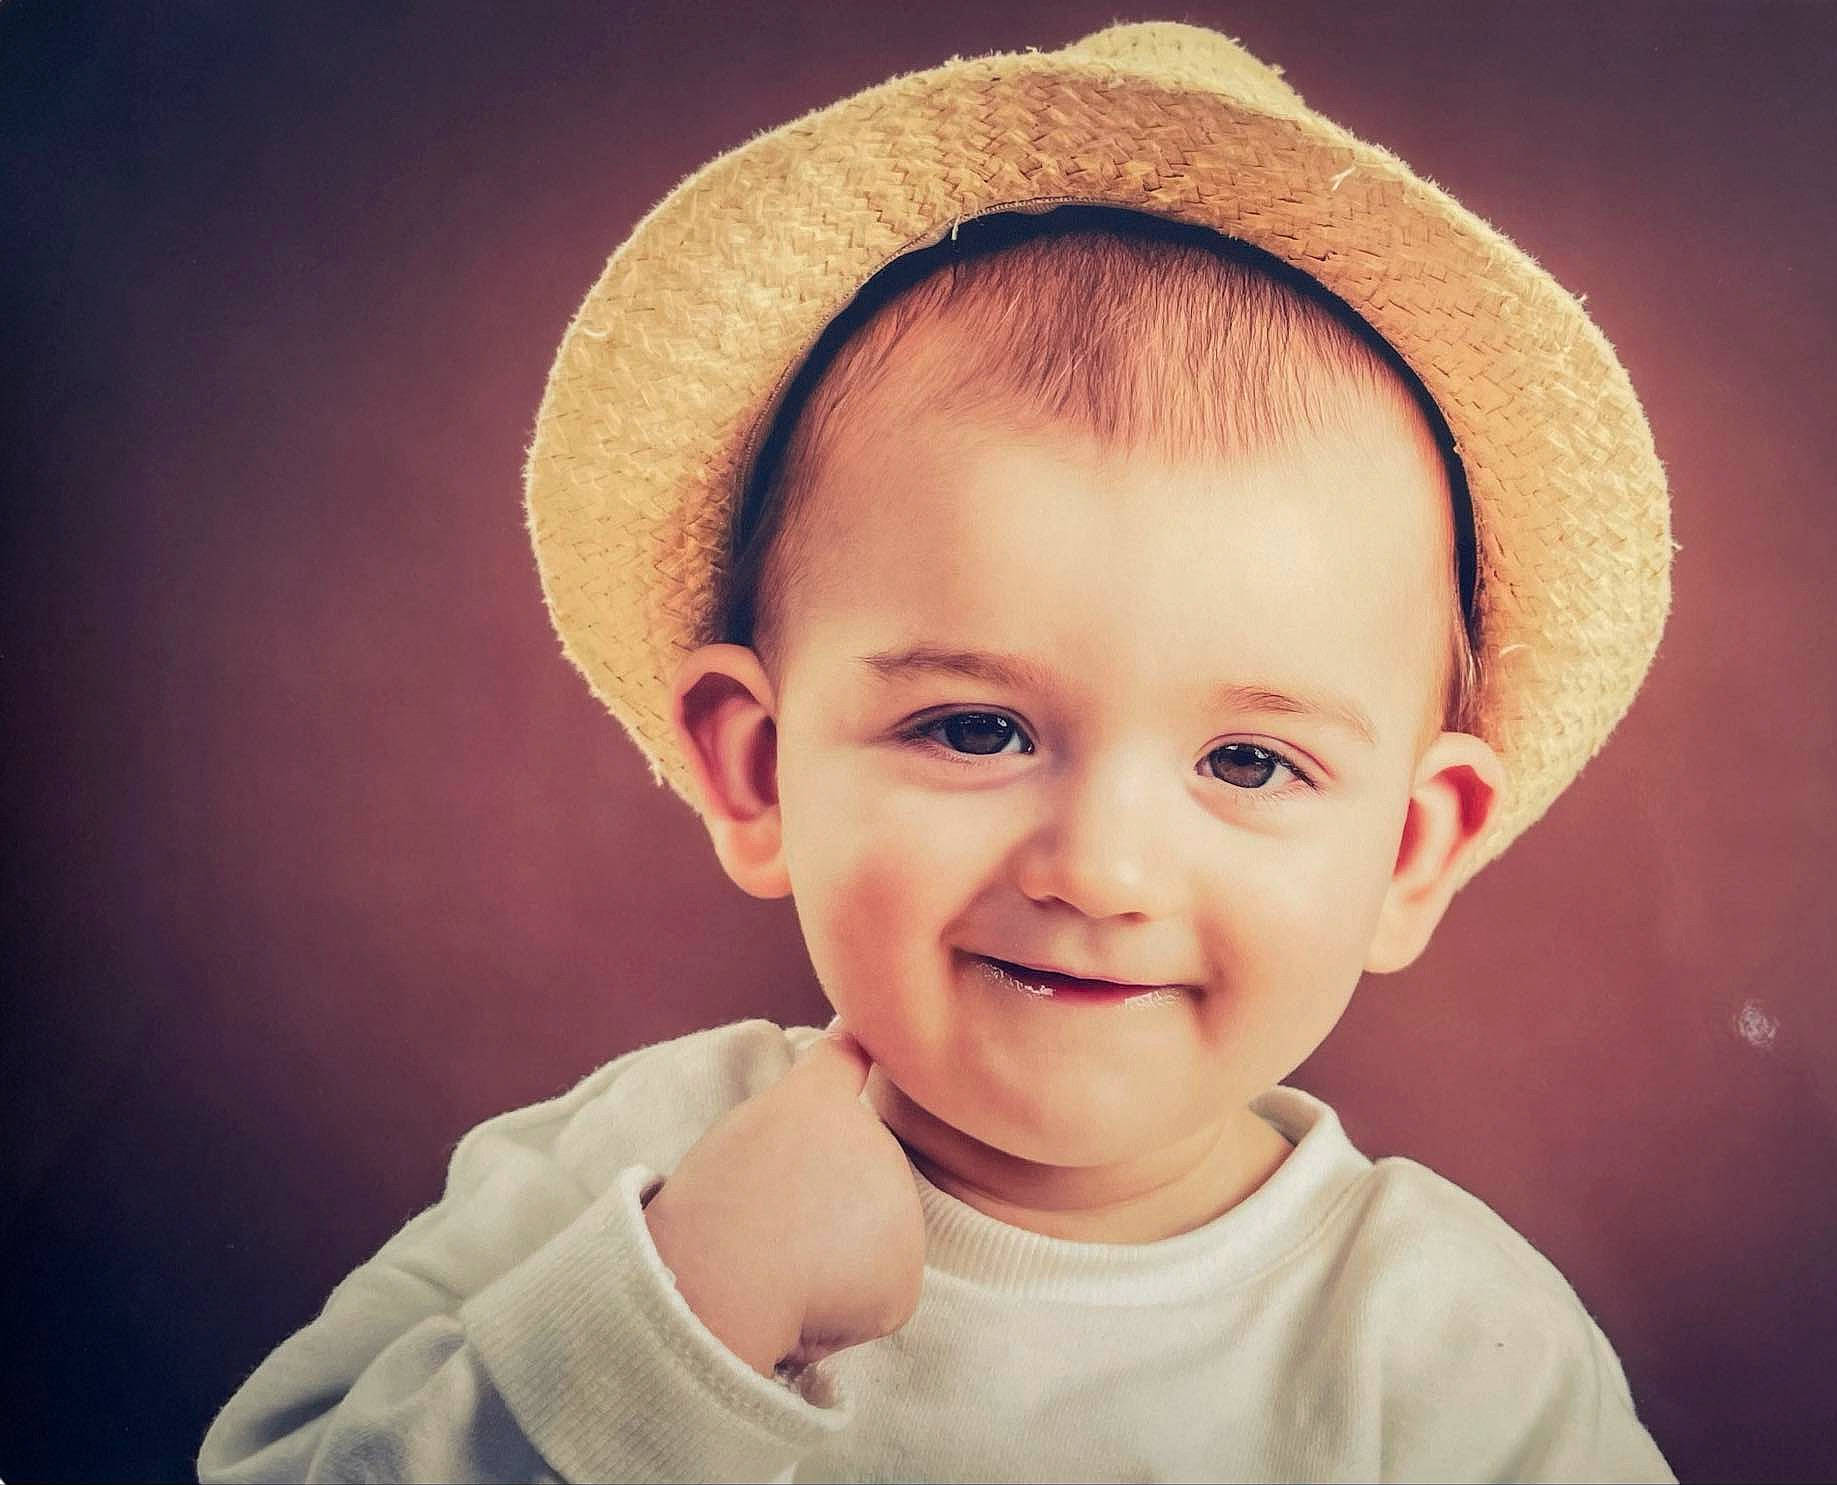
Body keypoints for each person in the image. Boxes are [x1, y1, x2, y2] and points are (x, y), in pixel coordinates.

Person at [198, 20, 1678, 1483]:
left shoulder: (1452, 1356)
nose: (1100, 869)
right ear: (758, 767)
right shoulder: (633, 1173)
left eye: (1248, 763)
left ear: (1415, 850)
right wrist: (681, 1313)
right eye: (978, 727)